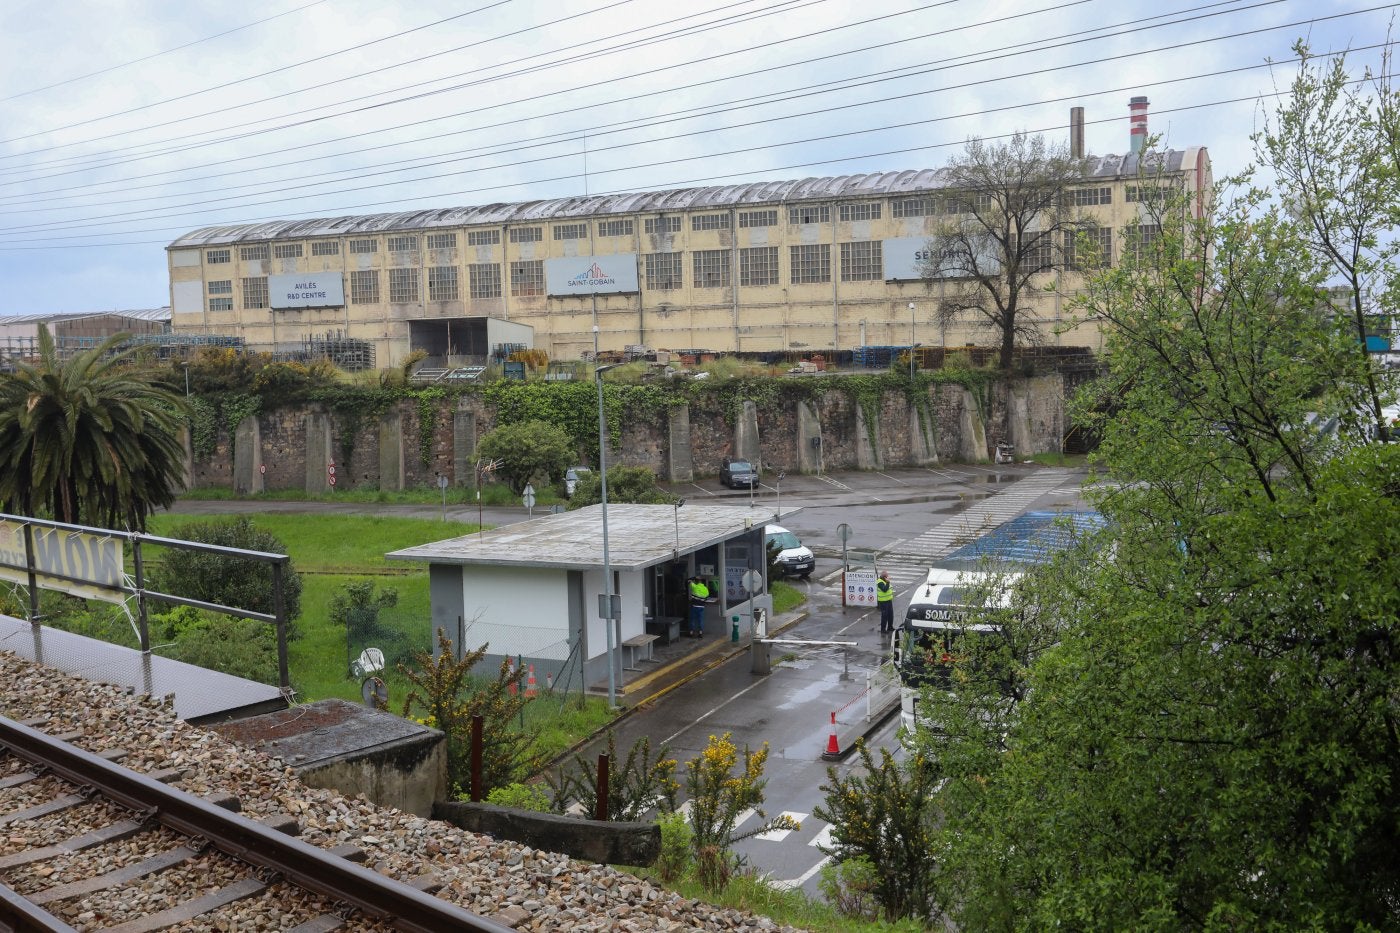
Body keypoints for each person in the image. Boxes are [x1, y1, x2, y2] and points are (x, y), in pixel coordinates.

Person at [876, 570, 895, 635]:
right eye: (887, 576)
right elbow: (884, 590)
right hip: (883, 602)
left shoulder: (885, 581)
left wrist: (887, 582)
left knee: (890, 615)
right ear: (884, 577)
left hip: (889, 600)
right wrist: (887, 582)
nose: (888, 577)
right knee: (884, 616)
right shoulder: (880, 582)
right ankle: (883, 629)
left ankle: (890, 627)